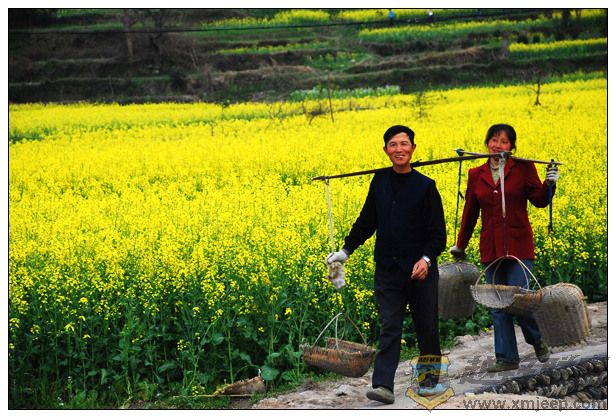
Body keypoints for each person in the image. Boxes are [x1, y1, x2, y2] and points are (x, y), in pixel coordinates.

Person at [326, 125, 446, 404]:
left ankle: (429, 381)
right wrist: (345, 251)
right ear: (386, 150)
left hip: (420, 272)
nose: (399, 149)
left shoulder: (426, 186)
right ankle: (383, 385)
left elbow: (437, 234)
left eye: (404, 144)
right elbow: (367, 221)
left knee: (426, 326)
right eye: (393, 145)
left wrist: (426, 259)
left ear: (413, 148)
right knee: (390, 325)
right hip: (388, 270)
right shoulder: (379, 182)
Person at [450, 123, 559, 372]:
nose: (497, 145)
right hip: (491, 248)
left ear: (511, 147)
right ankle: (507, 358)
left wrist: (549, 184)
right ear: (487, 143)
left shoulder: (523, 167)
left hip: (519, 244)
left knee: (520, 300)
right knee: (497, 304)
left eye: (504, 141)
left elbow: (539, 201)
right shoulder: (476, 173)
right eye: (493, 140)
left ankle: (536, 339)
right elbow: (470, 213)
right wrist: (460, 245)